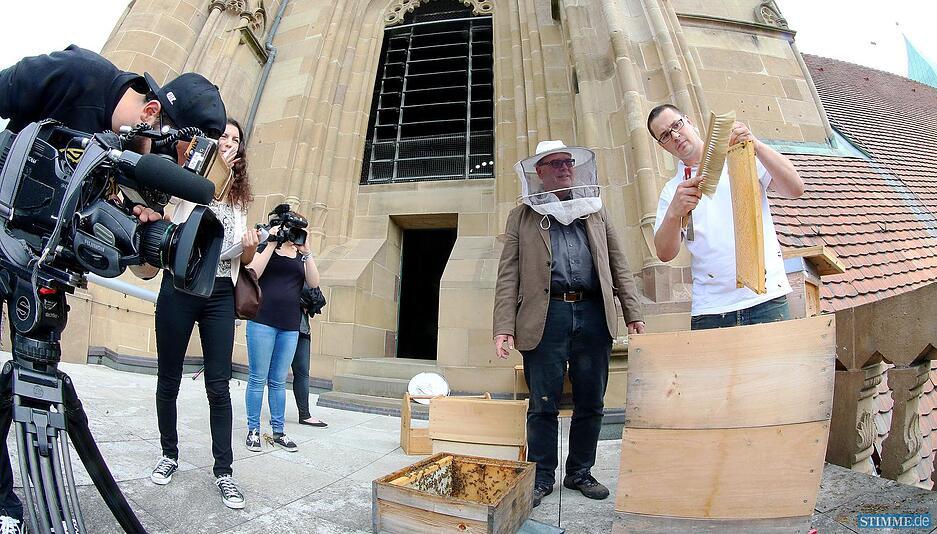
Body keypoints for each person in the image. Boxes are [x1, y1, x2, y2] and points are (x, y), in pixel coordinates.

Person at [0, 45, 226, 531]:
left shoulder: (139, 167)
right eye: (175, 152)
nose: (168, 167)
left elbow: (142, 270)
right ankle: (4, 500)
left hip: (37, 271)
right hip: (3, 231)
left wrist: (149, 233)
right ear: (151, 112)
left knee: (28, 375)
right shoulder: (78, 75)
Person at [493, 140, 645, 508]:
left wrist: (634, 312)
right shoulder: (522, 216)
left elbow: (618, 262)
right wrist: (503, 326)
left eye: (568, 163)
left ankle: (579, 472)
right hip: (545, 316)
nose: (564, 168)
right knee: (542, 401)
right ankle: (542, 475)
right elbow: (508, 273)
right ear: (540, 173)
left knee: (591, 399)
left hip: (593, 313)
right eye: (555, 164)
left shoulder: (595, 210)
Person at [149, 118, 258, 510]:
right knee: (168, 377)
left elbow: (242, 257)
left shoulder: (240, 199)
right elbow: (169, 214)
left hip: (219, 292)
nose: (228, 143)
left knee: (218, 384)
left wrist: (249, 247)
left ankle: (224, 471)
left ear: (240, 151)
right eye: (223, 137)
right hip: (179, 287)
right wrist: (205, 172)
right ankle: (168, 454)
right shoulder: (190, 177)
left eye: (234, 140)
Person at [647, 104, 805, 329]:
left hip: (766, 297)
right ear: (662, 146)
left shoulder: (741, 152)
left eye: (676, 125)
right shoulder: (672, 191)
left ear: (689, 121)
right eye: (665, 135)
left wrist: (756, 144)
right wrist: (674, 213)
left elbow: (796, 188)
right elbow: (664, 253)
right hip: (711, 309)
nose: (675, 136)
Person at [244, 210, 320, 453]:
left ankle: (278, 432)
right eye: (291, 229)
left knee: (278, 381)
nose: (294, 235)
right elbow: (253, 271)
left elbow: (315, 282)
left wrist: (308, 254)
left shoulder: (300, 255)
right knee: (257, 378)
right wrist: (271, 242)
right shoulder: (268, 246)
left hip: (290, 325)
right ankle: (254, 430)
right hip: (262, 320)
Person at [291, 290, 327, 427]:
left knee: (302, 372)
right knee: (277, 373)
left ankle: (305, 414)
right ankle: (277, 416)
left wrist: (307, 302)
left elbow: (318, 298)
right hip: (281, 324)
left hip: (302, 327)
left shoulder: (305, 270)